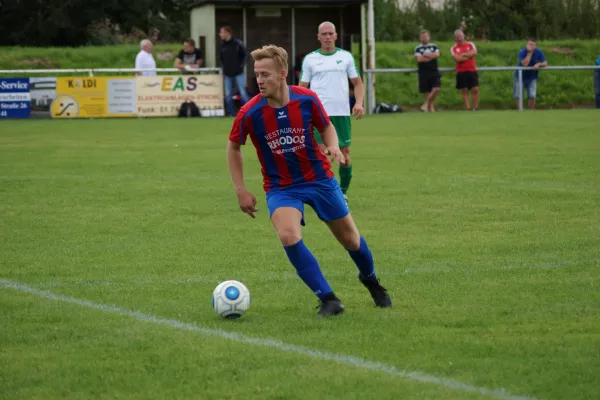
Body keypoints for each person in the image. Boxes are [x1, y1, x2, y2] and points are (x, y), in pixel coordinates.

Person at [226, 44, 391, 317]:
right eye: (256, 74)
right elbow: (233, 147)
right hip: (282, 187)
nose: (259, 80)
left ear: (282, 74)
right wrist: (240, 189)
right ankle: (328, 299)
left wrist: (334, 146)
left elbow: (326, 127)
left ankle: (371, 281)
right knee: (288, 235)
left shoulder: (307, 99)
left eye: (265, 74)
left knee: (351, 240)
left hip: (319, 180)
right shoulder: (250, 112)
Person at [299, 21, 364, 203]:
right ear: (318, 37)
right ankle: (323, 191)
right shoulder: (310, 59)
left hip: (341, 114)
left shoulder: (346, 57)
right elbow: (302, 87)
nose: (327, 37)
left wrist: (359, 103)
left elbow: (358, 83)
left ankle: (342, 192)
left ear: (335, 36)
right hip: (318, 114)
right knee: (321, 153)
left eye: (330, 34)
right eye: (324, 34)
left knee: (345, 152)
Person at [219, 25, 250, 116]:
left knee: (243, 93)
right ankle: (230, 114)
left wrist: (240, 66)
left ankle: (248, 113)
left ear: (227, 33)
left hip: (239, 73)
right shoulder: (222, 45)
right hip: (227, 74)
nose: (220, 34)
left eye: (221, 32)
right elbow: (221, 58)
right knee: (228, 95)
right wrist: (224, 68)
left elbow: (245, 56)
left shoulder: (238, 44)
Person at [513, 39, 548, 109]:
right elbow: (525, 64)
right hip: (520, 77)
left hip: (532, 77)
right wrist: (529, 53)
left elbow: (545, 63)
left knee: (532, 95)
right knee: (518, 95)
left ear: (535, 46)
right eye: (529, 44)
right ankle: (520, 111)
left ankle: (530, 112)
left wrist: (539, 64)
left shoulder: (539, 52)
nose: (531, 46)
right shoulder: (522, 52)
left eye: (533, 45)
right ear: (526, 45)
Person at [450, 30, 479, 110]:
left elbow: (475, 52)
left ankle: (475, 107)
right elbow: (457, 59)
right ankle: (468, 108)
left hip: (472, 70)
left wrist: (464, 55)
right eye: (457, 37)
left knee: (475, 89)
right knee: (464, 90)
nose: (459, 38)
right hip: (461, 71)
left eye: (461, 36)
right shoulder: (453, 48)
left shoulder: (470, 44)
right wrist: (469, 56)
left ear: (463, 36)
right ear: (455, 38)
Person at [414, 29, 441, 112]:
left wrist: (426, 56)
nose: (424, 38)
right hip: (423, 72)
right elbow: (419, 59)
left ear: (429, 37)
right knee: (427, 91)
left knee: (436, 88)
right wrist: (431, 56)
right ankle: (431, 108)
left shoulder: (434, 46)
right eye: (422, 37)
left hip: (434, 70)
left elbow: (437, 55)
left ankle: (425, 105)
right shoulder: (418, 48)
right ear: (420, 38)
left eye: (425, 36)